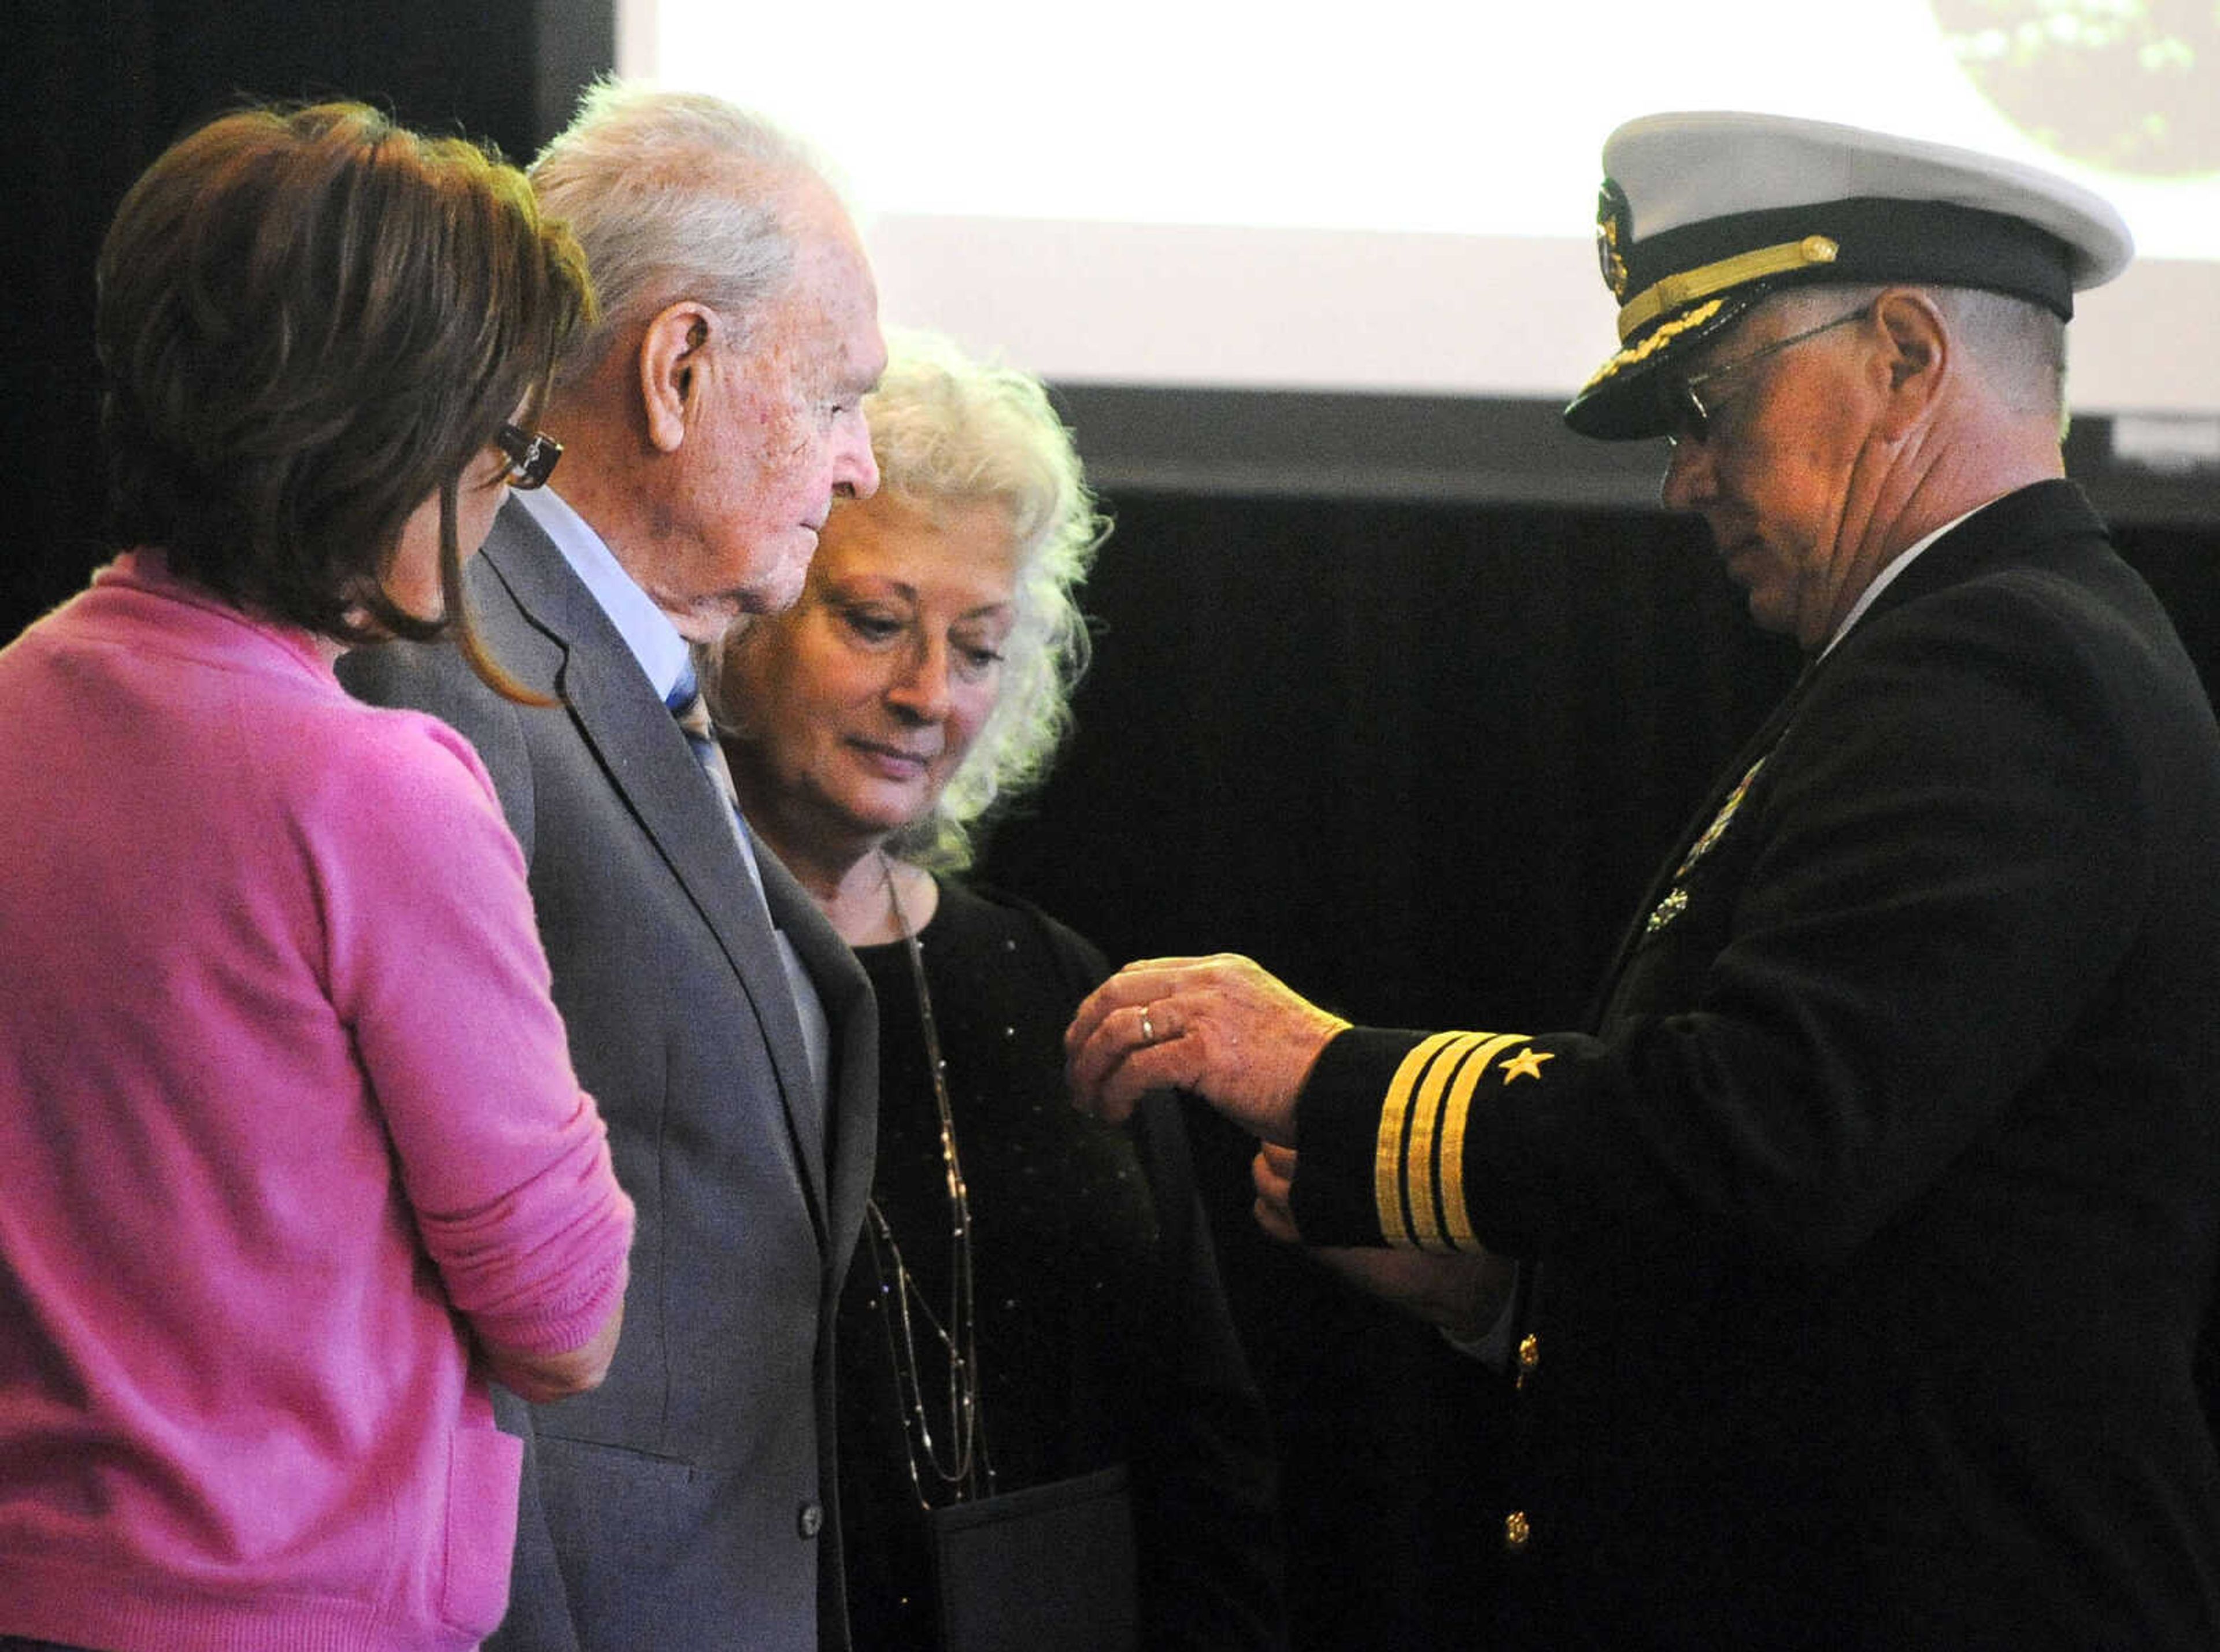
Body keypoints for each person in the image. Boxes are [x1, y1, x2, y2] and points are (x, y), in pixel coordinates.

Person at [1065, 110, 2220, 1649]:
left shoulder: (2003, 667)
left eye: (1708, 400)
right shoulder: (1957, 656)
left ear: (1905, 355)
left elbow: (1764, 1139)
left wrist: (1331, 1076)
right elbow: (1864, 1266)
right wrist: (1500, 1294)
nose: (1686, 480)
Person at [0, 103, 635, 1652]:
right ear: (369, 422)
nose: (511, 478)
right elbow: (569, 1324)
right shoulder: (376, 793)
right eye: (501, 432)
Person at [339, 81, 884, 1652]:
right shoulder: (453, 657)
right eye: (841, 396)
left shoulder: (611, 669)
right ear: (680, 367)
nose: (860, 467)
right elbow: (408, 1270)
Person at [705, 331, 1287, 1651]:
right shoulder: (651, 962)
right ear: (748, 602)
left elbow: (1200, 1436)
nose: (925, 696)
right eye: (873, 622)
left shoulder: (1051, 977)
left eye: (976, 649)